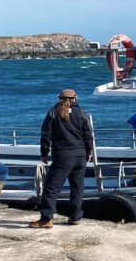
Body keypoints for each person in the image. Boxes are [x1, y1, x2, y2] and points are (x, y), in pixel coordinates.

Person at [30, 89, 92, 229]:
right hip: (80, 155)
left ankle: (46, 218)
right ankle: (75, 217)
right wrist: (88, 152)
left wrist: (44, 153)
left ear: (60, 98)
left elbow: (45, 134)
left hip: (63, 155)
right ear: (75, 99)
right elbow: (88, 134)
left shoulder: (53, 112)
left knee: (51, 187)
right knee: (77, 187)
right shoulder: (81, 112)